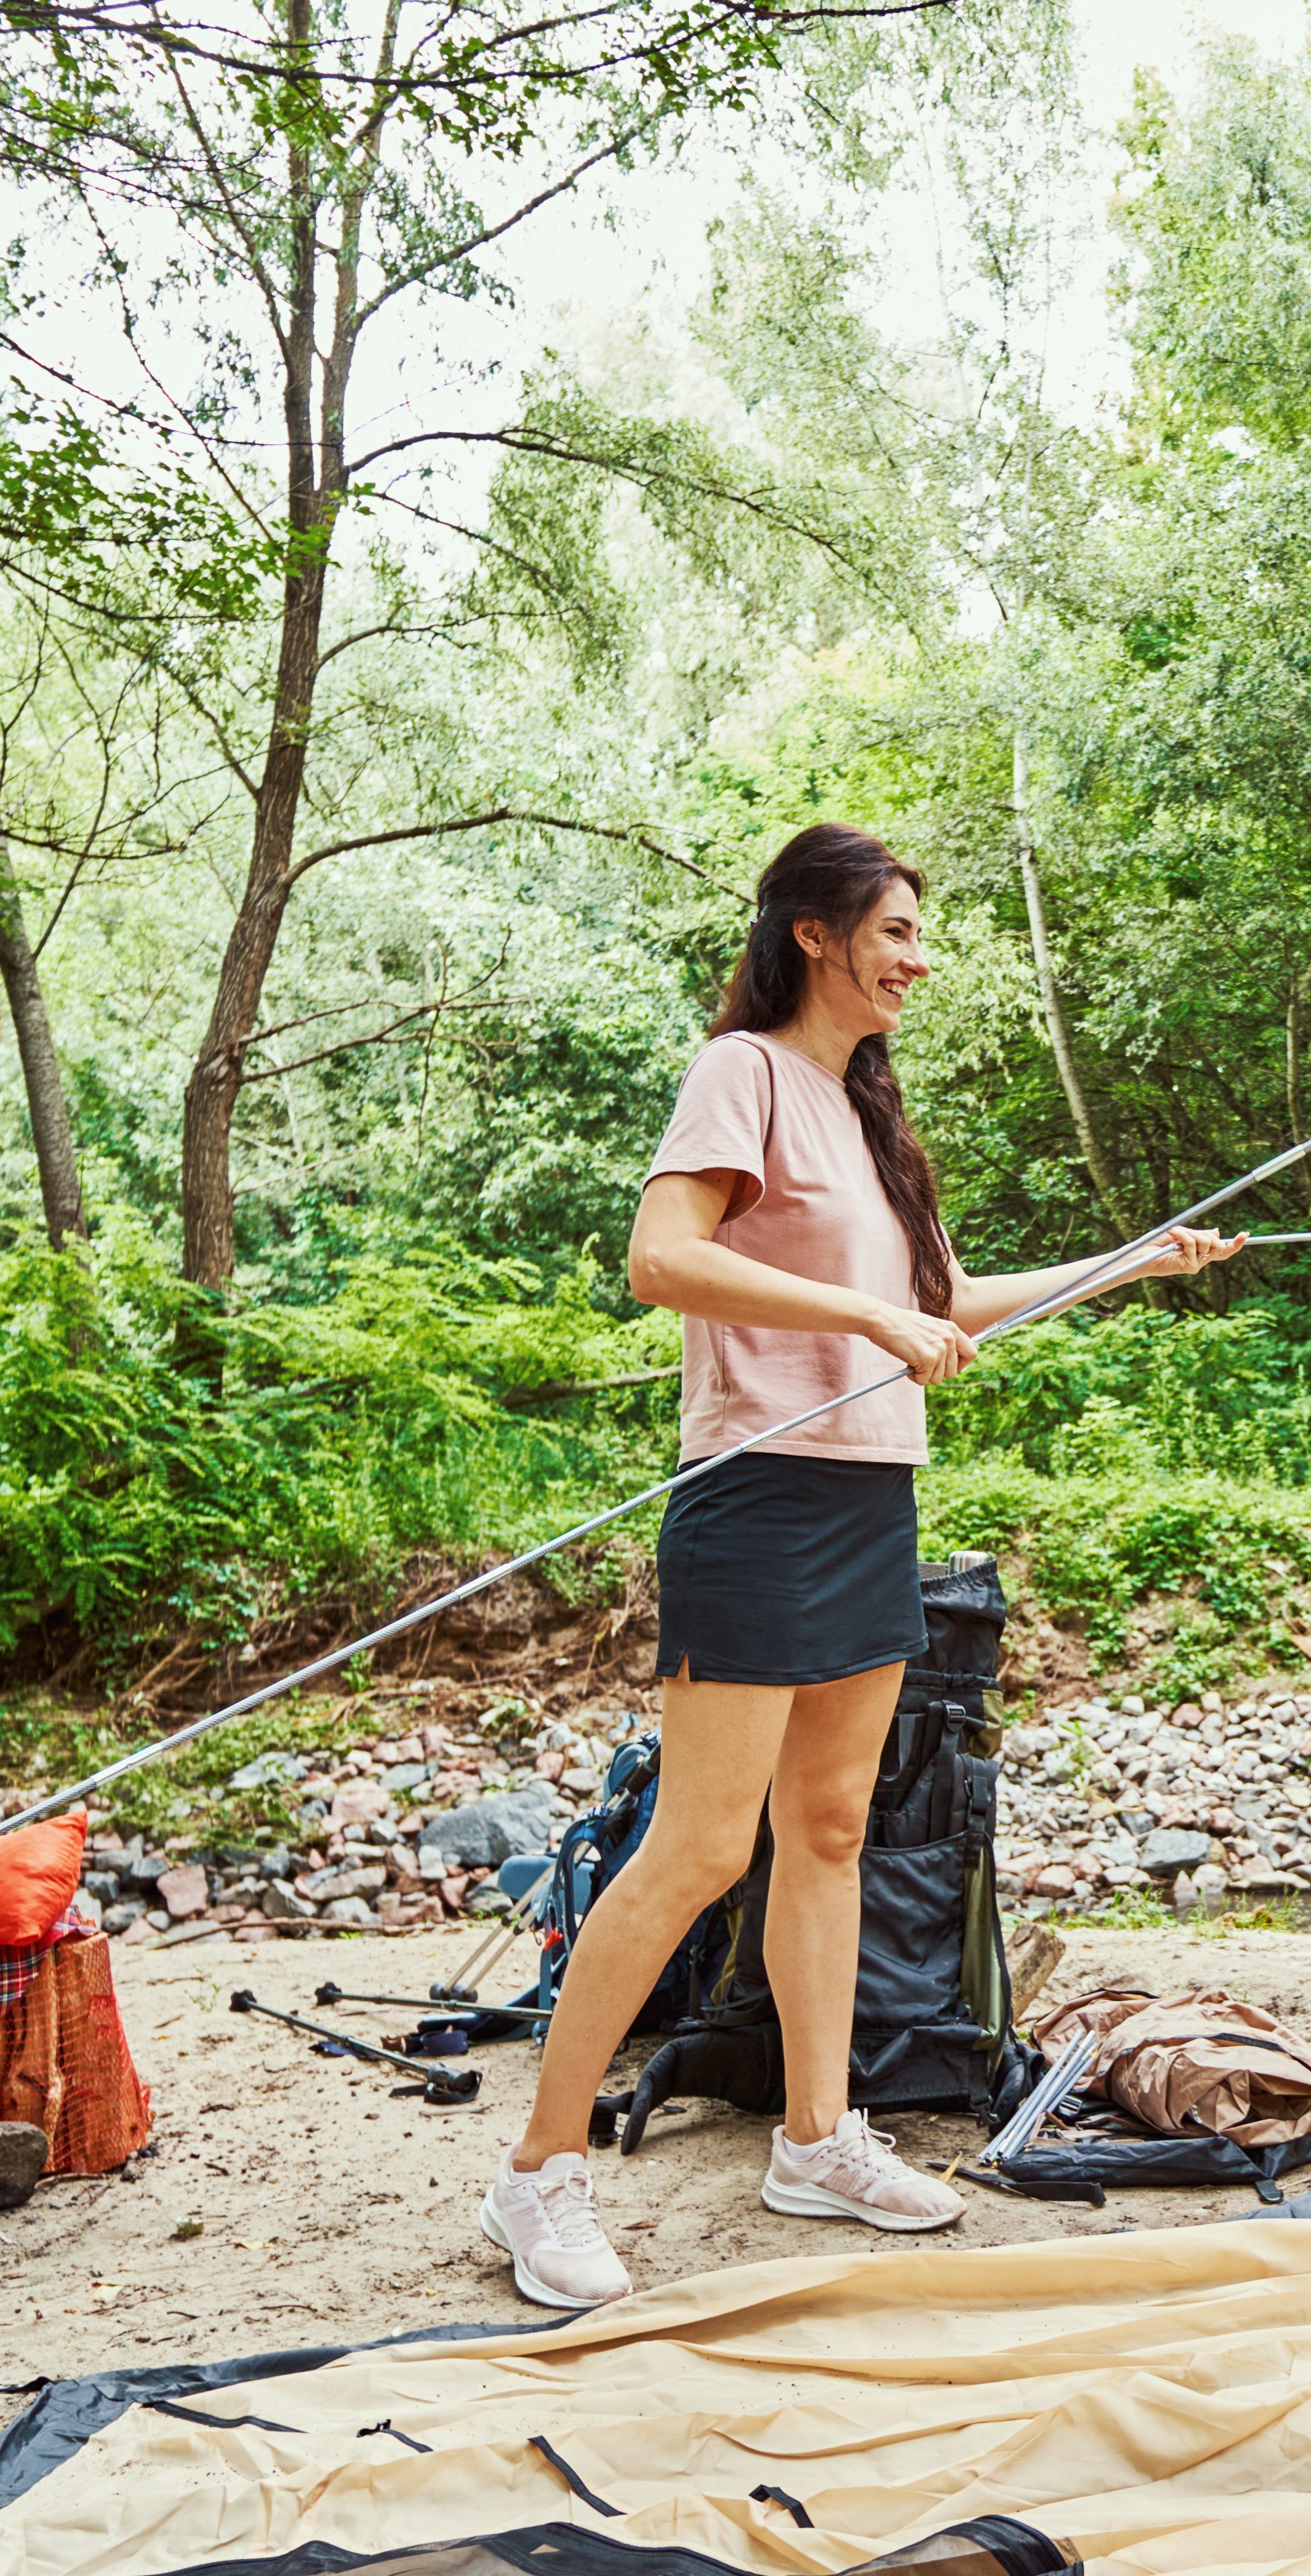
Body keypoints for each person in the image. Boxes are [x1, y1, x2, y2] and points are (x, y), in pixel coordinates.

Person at [479, 823, 1235, 2309]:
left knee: (830, 1829)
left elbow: (942, 1299)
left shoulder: (870, 1113)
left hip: (871, 1497)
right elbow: (661, 1257)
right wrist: (866, 1319)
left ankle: (819, 2137)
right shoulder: (745, 1071)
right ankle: (540, 2171)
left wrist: (1128, 1264)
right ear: (815, 934)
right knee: (700, 1846)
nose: (917, 958)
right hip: (757, 1495)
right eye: (895, 930)